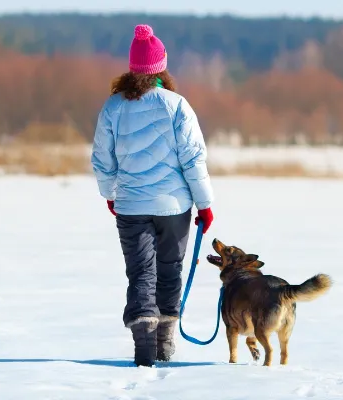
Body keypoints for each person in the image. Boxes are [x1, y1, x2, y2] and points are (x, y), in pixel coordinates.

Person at [91, 24, 215, 367]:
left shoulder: (113, 107)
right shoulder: (177, 105)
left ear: (132, 69)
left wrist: (111, 194)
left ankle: (144, 338)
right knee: (169, 269)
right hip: (174, 207)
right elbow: (193, 158)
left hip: (131, 206)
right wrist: (204, 204)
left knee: (141, 273)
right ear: (161, 68)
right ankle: (164, 341)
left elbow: (103, 160)